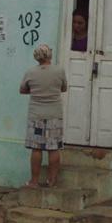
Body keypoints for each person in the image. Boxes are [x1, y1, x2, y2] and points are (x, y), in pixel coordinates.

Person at [19, 43, 67, 187]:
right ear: (49, 55)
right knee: (53, 148)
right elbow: (63, 88)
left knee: (36, 148)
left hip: (36, 115)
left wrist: (35, 92)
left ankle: (34, 181)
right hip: (54, 114)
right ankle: (52, 180)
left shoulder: (30, 72)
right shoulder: (59, 71)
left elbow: (22, 90)